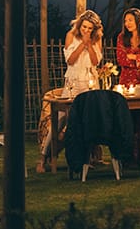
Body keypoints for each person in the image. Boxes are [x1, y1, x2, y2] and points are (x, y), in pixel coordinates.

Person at [36, 9, 104, 173]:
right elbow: (70, 60)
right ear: (79, 25)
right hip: (73, 84)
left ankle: (86, 158)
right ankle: (44, 158)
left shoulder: (97, 39)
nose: (86, 30)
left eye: (89, 28)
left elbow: (95, 62)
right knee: (59, 120)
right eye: (84, 27)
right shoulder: (70, 36)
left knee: (88, 122)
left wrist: (90, 45)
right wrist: (82, 44)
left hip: (90, 85)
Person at [116, 8, 140, 90]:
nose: (127, 23)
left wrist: (133, 57)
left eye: (130, 20)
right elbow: (121, 59)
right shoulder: (122, 37)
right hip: (127, 79)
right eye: (125, 21)